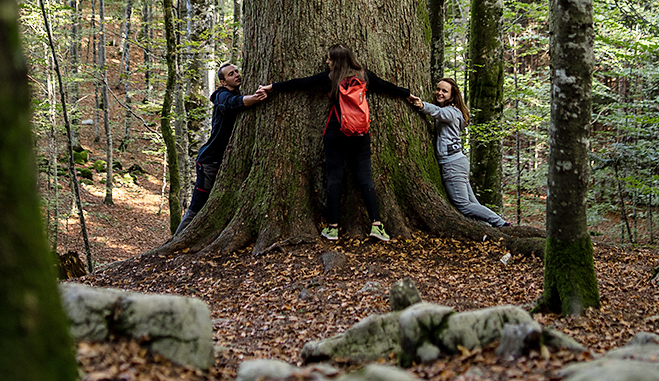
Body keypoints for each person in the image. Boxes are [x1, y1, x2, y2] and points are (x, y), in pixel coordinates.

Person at [260, 44, 412, 242]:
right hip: (359, 133)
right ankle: (376, 225)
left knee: (334, 177)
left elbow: (301, 83)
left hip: (335, 131)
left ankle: (333, 228)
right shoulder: (365, 76)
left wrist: (272, 87)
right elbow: (388, 87)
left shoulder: (330, 78)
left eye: (329, 59)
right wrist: (408, 94)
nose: (326, 62)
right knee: (365, 177)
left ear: (337, 60)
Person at [175, 63, 267, 236]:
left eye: (237, 71)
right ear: (223, 82)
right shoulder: (221, 96)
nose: (237, 75)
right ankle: (177, 239)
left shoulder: (238, 90)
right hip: (209, 161)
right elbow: (233, 104)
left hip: (223, 160)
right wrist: (256, 98)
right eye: (231, 74)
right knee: (198, 206)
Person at [409, 78, 510, 228]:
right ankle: (489, 228)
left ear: (452, 94)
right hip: (458, 161)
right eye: (438, 89)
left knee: (463, 205)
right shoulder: (455, 111)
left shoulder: (451, 112)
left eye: (444, 91)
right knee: (473, 203)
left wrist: (422, 105)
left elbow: (438, 112)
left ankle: (501, 224)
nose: (439, 93)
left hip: (452, 164)